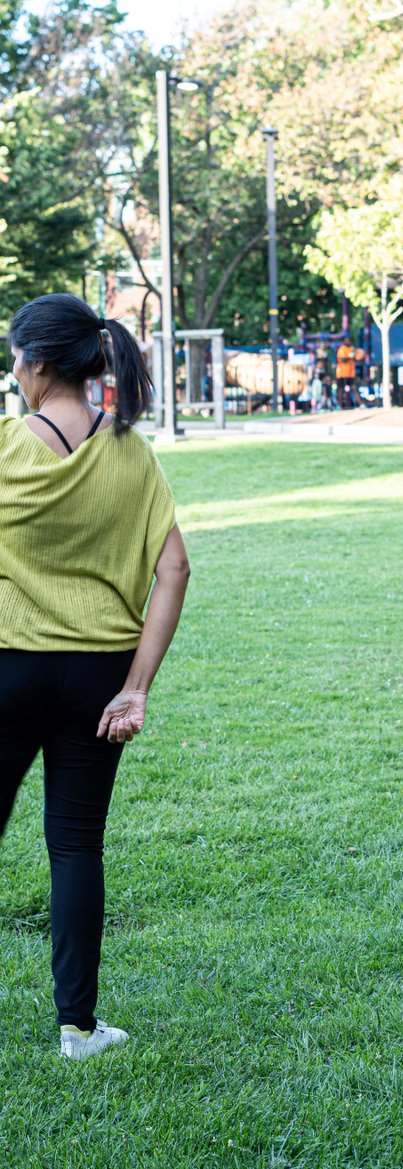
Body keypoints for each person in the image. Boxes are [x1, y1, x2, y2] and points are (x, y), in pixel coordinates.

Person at [0, 294, 190, 1059]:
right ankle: (77, 1028)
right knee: (76, 847)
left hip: (10, 669)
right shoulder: (130, 452)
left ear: (41, 364)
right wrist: (137, 685)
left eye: (15, 355)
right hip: (100, 681)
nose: (12, 369)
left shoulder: (7, 448)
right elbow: (173, 568)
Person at [336, 336, 357, 409]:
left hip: (350, 373)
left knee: (354, 388)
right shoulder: (342, 349)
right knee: (341, 390)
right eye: (347, 340)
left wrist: (354, 354)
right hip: (342, 373)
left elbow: (355, 358)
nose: (348, 341)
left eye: (349, 340)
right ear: (344, 341)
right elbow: (343, 359)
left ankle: (360, 404)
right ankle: (339, 406)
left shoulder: (351, 349)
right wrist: (350, 356)